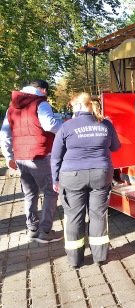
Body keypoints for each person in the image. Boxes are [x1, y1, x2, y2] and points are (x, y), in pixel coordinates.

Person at [50, 93, 121, 268]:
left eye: (73, 106)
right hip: (101, 174)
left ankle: (75, 260)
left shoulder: (67, 127)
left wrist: (55, 178)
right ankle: (100, 257)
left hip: (72, 176)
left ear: (80, 106)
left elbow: (55, 157)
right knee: (98, 215)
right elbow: (116, 147)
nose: (72, 110)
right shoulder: (105, 124)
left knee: (74, 216)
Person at [0, 79, 63, 243]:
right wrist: (67, 127)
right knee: (51, 191)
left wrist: (9, 157)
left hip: (21, 157)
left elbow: (4, 134)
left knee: (30, 193)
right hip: (40, 155)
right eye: (47, 92)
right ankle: (45, 231)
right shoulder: (40, 104)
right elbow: (49, 125)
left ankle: (32, 228)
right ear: (42, 90)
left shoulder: (11, 109)